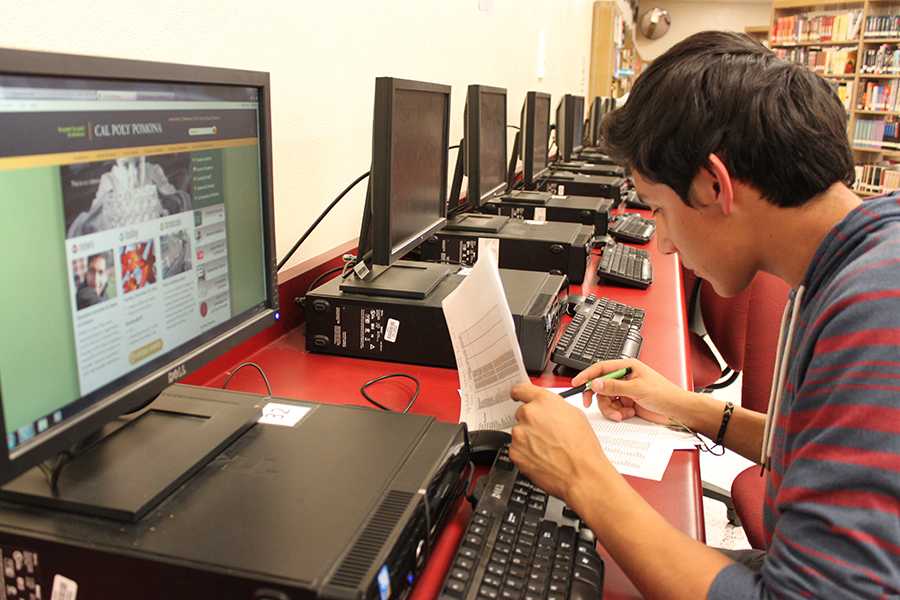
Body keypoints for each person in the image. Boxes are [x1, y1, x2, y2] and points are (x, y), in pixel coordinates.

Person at [508, 31, 900, 599]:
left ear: (714, 185)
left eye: (662, 212)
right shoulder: (855, 257)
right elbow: (821, 449)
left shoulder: (875, 310)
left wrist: (583, 477)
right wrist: (682, 405)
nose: (662, 244)